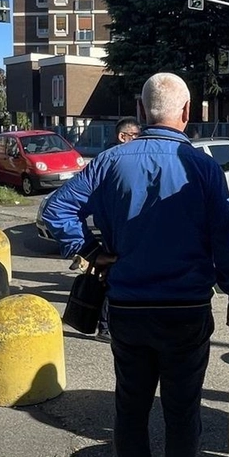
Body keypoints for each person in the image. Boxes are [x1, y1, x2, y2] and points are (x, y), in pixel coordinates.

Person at [42, 72, 229, 457]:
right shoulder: (202, 166)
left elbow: (55, 211)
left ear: (140, 110)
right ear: (187, 111)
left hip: (129, 308)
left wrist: (92, 251)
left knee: (130, 408)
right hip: (186, 309)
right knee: (183, 411)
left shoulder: (110, 161)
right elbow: (227, 238)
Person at [94, 117, 143, 342]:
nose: (140, 141)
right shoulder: (110, 162)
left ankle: (109, 325)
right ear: (123, 137)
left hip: (115, 231)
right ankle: (105, 328)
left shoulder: (113, 160)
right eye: (136, 136)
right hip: (116, 233)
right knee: (113, 279)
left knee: (112, 278)